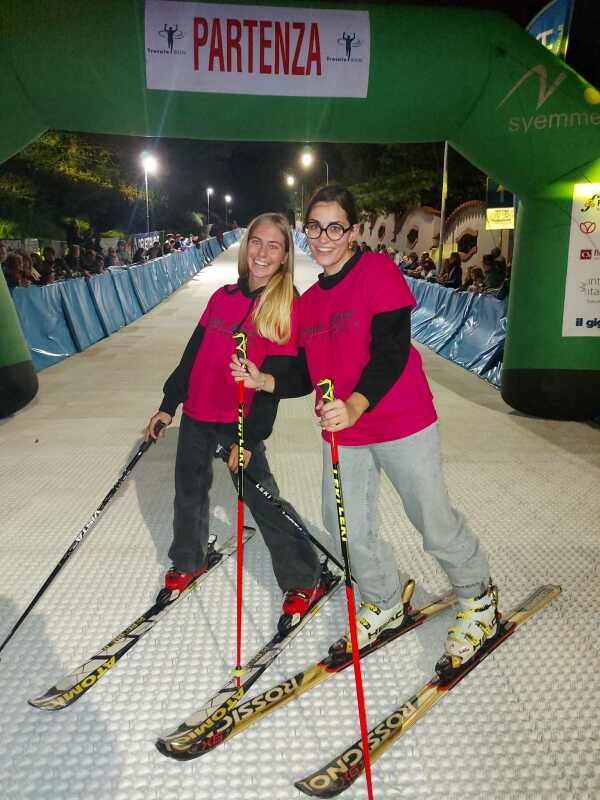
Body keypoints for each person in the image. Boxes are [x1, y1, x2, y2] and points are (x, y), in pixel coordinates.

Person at [232, 185, 498, 678]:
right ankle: (383, 598)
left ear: (353, 231)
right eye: (315, 227)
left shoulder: (377, 271)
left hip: (400, 419)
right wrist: (264, 379)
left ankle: (478, 597)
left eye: (335, 227)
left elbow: (391, 349)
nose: (323, 237)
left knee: (431, 518)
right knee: (344, 527)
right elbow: (306, 373)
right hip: (343, 430)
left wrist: (356, 403)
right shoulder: (310, 302)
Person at [144, 212, 328, 635]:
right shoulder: (222, 296)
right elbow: (193, 354)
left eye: (273, 246)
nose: (262, 252)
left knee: (262, 501)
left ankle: (304, 577)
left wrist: (250, 438)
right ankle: (188, 558)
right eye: (256, 242)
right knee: (189, 491)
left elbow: (273, 382)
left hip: (240, 421)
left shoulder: (285, 305)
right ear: (246, 247)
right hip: (198, 412)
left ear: (285, 256)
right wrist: (169, 404)